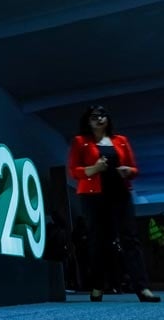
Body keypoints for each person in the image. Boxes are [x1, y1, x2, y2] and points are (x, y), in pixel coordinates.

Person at [67, 105, 160, 303]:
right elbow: (74, 171)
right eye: (94, 116)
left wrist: (128, 171)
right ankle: (98, 286)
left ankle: (142, 288)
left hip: (120, 194)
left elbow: (135, 169)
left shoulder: (121, 141)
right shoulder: (80, 142)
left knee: (130, 239)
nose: (99, 119)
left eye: (103, 115)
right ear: (88, 120)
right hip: (93, 196)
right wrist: (94, 168)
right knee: (98, 241)